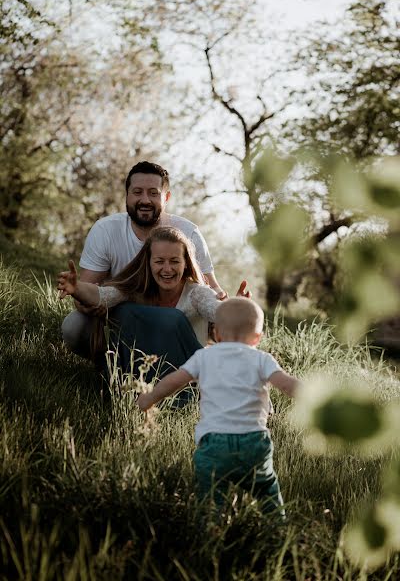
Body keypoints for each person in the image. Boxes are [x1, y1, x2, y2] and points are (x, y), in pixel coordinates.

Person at [138, 297, 300, 513]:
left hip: (214, 444)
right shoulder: (262, 359)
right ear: (257, 337)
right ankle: (277, 528)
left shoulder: (204, 357)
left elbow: (174, 380)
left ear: (216, 334)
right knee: (265, 489)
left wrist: (149, 398)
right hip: (253, 442)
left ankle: (212, 530)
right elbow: (287, 385)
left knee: (212, 498)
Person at [61, 161, 226, 358]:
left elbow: (212, 291)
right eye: (137, 192)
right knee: (75, 325)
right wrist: (80, 291)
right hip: (125, 321)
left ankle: (188, 370)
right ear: (127, 196)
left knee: (178, 322)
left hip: (179, 324)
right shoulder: (106, 230)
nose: (145, 200)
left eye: (153, 193)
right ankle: (111, 367)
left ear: (166, 197)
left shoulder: (188, 233)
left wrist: (234, 306)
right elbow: (98, 294)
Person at [58, 227, 250, 382]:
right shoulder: (138, 289)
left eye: (175, 261)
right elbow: (103, 296)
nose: (167, 269)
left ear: (186, 264)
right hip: (144, 372)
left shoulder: (197, 293)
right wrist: (77, 287)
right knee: (125, 311)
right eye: (159, 261)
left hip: (187, 376)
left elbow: (215, 310)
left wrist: (238, 308)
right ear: (148, 263)